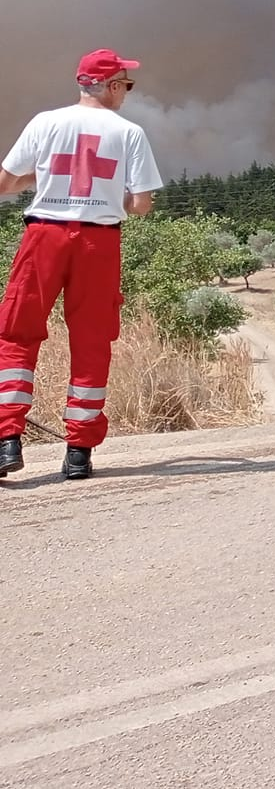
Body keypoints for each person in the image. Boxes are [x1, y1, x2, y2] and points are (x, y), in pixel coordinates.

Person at [0, 49, 164, 481]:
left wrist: (44, 179)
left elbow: (5, 182)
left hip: (43, 237)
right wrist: (111, 196)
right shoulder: (129, 133)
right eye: (126, 84)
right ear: (110, 86)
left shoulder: (45, 122)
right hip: (98, 241)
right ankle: (78, 453)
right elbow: (142, 204)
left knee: (17, 330)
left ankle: (6, 440)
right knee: (92, 337)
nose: (127, 92)